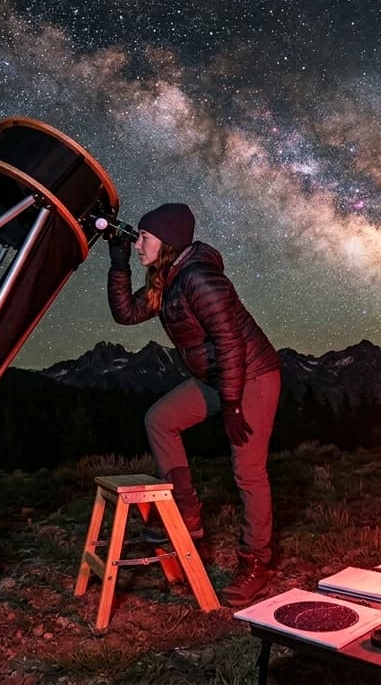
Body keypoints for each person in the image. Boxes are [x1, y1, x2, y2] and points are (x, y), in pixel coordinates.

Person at [106, 203, 282, 607]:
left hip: (252, 376)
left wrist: (233, 405)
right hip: (217, 377)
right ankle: (186, 513)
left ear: (166, 241)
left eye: (144, 240)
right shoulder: (165, 279)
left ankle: (256, 561)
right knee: (160, 419)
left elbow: (230, 342)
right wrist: (119, 266)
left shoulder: (200, 278)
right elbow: (126, 313)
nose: (138, 246)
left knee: (248, 470)